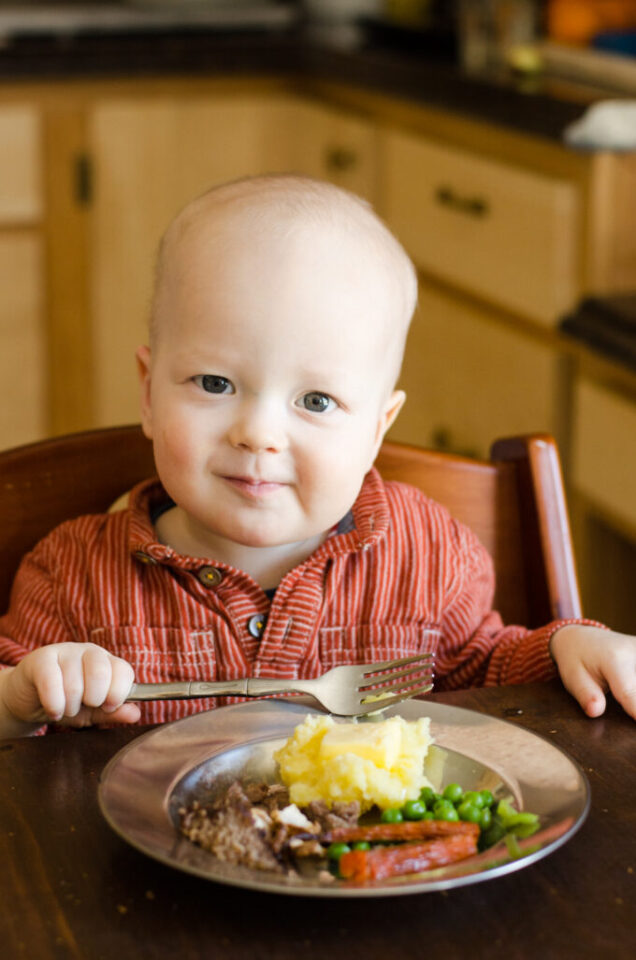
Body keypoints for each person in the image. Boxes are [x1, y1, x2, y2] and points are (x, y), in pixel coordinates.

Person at [0, 174, 634, 739]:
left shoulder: (430, 556)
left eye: (317, 400)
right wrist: (23, 696)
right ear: (148, 391)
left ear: (377, 430)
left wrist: (570, 646)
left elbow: (486, 669)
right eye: (215, 384)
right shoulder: (71, 577)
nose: (258, 434)